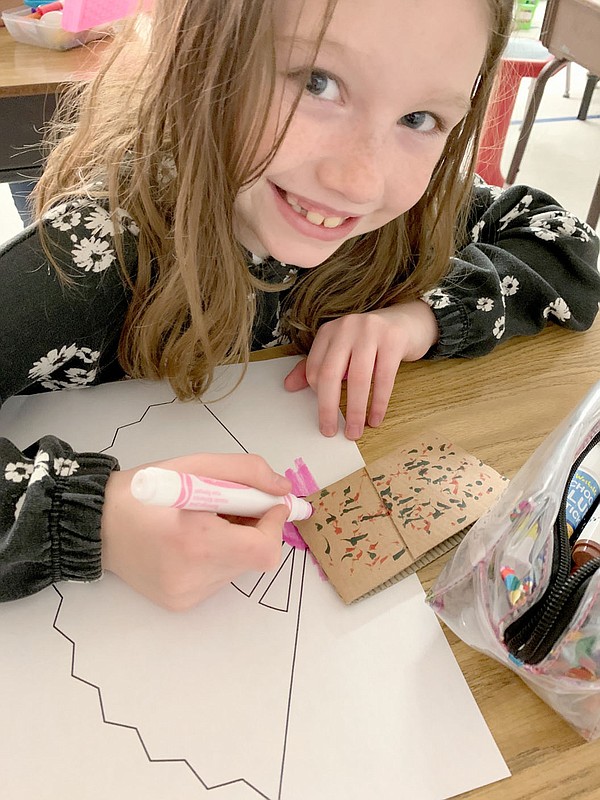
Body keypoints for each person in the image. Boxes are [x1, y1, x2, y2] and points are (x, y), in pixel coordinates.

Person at [0, 0, 598, 610]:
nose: (361, 181)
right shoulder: (89, 255)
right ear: (200, 55)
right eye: (318, 82)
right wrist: (96, 521)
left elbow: (565, 244)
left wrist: (420, 318)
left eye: (419, 119)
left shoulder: (405, 218)